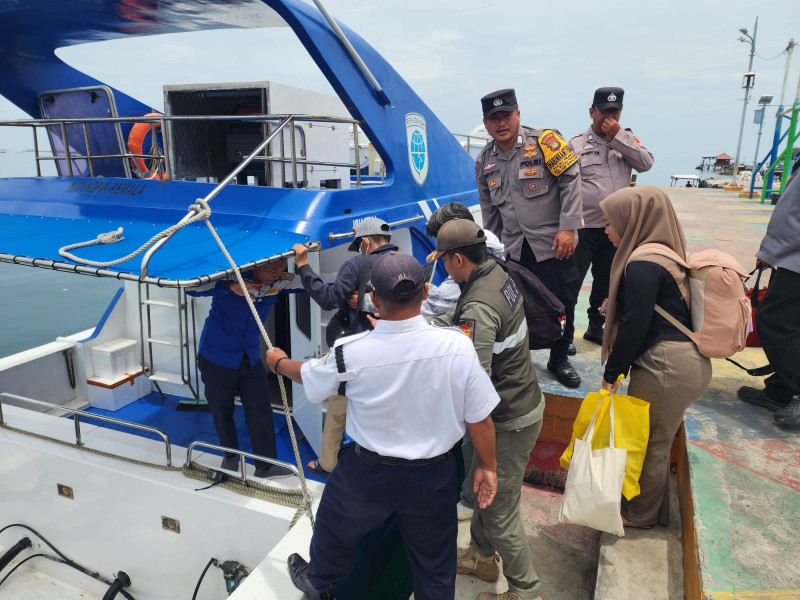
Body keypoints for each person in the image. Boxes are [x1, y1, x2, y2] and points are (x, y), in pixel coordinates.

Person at [266, 251, 501, 600]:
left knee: (333, 523)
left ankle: (319, 580)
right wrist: (488, 466)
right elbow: (480, 417)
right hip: (434, 476)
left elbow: (307, 375)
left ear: (374, 300)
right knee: (436, 561)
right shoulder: (458, 346)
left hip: (368, 473)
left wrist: (279, 362)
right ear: (424, 293)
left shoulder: (350, 350)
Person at [427, 219, 544, 600]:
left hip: (507, 419)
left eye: (444, 260)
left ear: (458, 259)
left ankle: (526, 591)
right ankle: (481, 556)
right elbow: (466, 330)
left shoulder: (478, 305)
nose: (444, 267)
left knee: (500, 512)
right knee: (486, 496)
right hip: (520, 400)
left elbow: (472, 384)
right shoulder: (496, 274)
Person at [599, 186, 712, 527]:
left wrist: (612, 374)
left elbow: (635, 326)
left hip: (665, 368)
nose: (605, 230)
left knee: (650, 444)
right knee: (655, 440)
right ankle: (654, 512)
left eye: (609, 222)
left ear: (631, 221)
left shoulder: (643, 263)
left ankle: (640, 516)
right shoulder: (663, 253)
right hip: (682, 363)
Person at [476, 88, 583, 388]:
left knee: (565, 302)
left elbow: (571, 179)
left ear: (518, 114)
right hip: (514, 250)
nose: (501, 123)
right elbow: (489, 211)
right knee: (516, 308)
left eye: (506, 115)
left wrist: (568, 227)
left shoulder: (546, 142)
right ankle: (519, 359)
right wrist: (492, 252)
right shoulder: (484, 161)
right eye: (493, 118)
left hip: (553, 244)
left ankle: (559, 358)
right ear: (486, 124)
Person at [292, 217, 397, 477]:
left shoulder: (356, 264)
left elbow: (329, 300)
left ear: (365, 242)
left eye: (359, 244)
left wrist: (304, 267)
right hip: (393, 350)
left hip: (358, 351)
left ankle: (328, 462)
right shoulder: (404, 263)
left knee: (338, 408)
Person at [188, 260, 302, 478]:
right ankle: (230, 456)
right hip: (215, 357)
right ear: (258, 265)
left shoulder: (279, 282)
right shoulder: (229, 275)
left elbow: (314, 283)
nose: (276, 274)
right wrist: (230, 287)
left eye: (281, 270)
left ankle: (265, 466)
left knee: (261, 410)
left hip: (249, 358)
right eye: (272, 269)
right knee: (222, 410)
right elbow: (191, 287)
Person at [569, 87, 654, 346]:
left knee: (607, 282)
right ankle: (565, 332)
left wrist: (620, 138)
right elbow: (565, 187)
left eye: (614, 113)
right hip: (584, 226)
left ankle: (596, 326)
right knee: (572, 280)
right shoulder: (576, 144)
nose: (609, 118)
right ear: (592, 112)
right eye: (604, 112)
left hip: (616, 229)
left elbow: (646, 163)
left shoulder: (627, 139)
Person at [737, 165, 800, 423]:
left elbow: (791, 216)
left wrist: (772, 251)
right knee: (790, 321)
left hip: (794, 258)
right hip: (791, 256)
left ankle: (794, 389)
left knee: (774, 321)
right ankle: (781, 390)